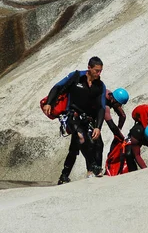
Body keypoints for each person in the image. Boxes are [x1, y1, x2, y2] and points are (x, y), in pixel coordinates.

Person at [42, 56, 106, 184]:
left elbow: (101, 108)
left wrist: (98, 126)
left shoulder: (100, 86)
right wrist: (49, 103)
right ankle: (94, 167)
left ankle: (64, 176)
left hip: (86, 119)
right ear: (89, 68)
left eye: (100, 71)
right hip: (71, 115)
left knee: (91, 144)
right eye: (96, 70)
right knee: (81, 137)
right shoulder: (76, 76)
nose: (99, 74)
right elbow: (57, 87)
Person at [93, 88, 128, 177]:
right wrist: (121, 137)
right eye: (118, 104)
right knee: (98, 144)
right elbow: (111, 126)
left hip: (95, 114)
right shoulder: (105, 103)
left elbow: (123, 116)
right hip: (90, 116)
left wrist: (119, 129)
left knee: (98, 144)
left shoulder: (112, 97)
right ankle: (96, 170)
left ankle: (96, 169)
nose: (119, 106)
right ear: (113, 99)